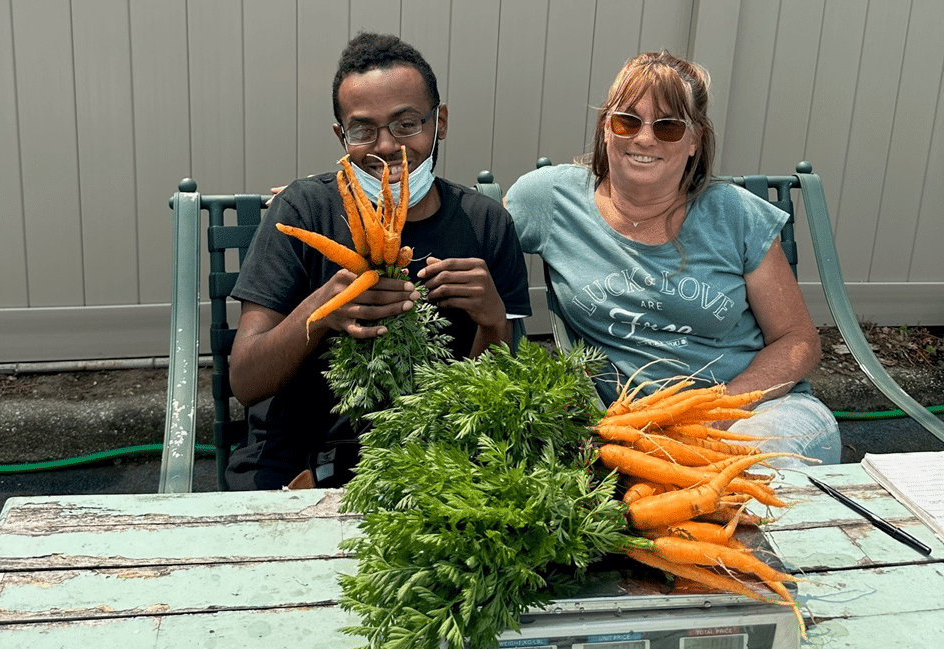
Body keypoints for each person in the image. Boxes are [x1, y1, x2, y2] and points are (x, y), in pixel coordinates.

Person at [504, 51, 840, 466]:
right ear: (605, 128)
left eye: (667, 127)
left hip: (752, 415)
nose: (644, 138)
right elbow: (474, 240)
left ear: (695, 139)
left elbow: (798, 340)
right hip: (631, 432)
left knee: (751, 473)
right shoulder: (550, 200)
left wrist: (713, 413)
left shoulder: (735, 214)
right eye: (628, 120)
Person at [226, 32, 531, 490]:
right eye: (363, 130)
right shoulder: (303, 210)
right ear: (340, 135)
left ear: (440, 121)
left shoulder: (485, 225)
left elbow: (495, 401)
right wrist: (322, 310)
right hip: (297, 457)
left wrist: (493, 325)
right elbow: (246, 381)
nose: (387, 147)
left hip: (433, 458)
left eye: (407, 124)